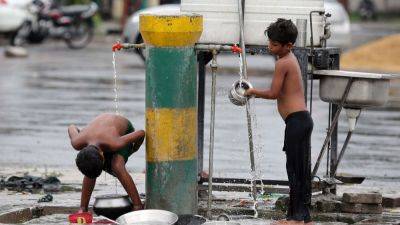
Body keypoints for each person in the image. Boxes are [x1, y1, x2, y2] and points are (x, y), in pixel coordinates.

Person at [245, 18, 314, 225]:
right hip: (301, 121)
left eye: (274, 45)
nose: (270, 47)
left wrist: (253, 91)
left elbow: (274, 93)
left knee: (294, 170)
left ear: (288, 45)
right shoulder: (290, 59)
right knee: (300, 170)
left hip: (296, 122)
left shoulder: (283, 63)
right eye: (270, 43)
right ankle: (303, 218)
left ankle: (295, 219)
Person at [68, 113, 145, 212]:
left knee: (117, 165)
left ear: (102, 154)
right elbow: (71, 127)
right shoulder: (77, 141)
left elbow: (141, 133)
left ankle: (137, 205)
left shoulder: (115, 143)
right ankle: (83, 208)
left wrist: (134, 149)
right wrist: (80, 133)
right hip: (101, 131)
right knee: (90, 165)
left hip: (124, 131)